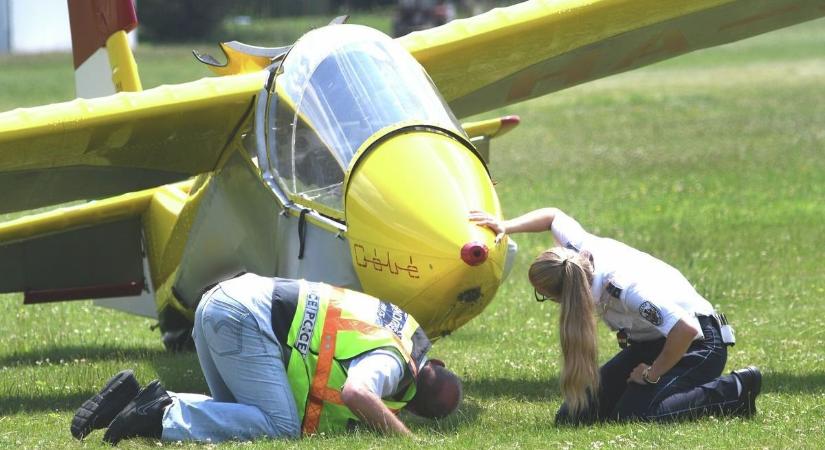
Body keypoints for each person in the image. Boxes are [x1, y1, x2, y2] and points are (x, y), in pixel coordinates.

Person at [70, 274, 462, 444]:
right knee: (280, 426)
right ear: (408, 406)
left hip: (227, 298)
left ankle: (128, 399)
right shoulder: (395, 363)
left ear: (438, 364)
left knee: (237, 414)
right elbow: (358, 392)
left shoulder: (400, 326)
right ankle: (159, 416)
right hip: (243, 317)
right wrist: (405, 439)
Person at [470, 207, 761, 424]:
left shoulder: (627, 289)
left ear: (566, 296)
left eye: (546, 296)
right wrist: (505, 226)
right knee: (575, 417)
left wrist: (651, 373)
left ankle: (734, 390)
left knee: (633, 416)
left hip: (698, 344)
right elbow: (553, 216)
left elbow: (685, 330)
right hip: (653, 342)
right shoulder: (576, 255)